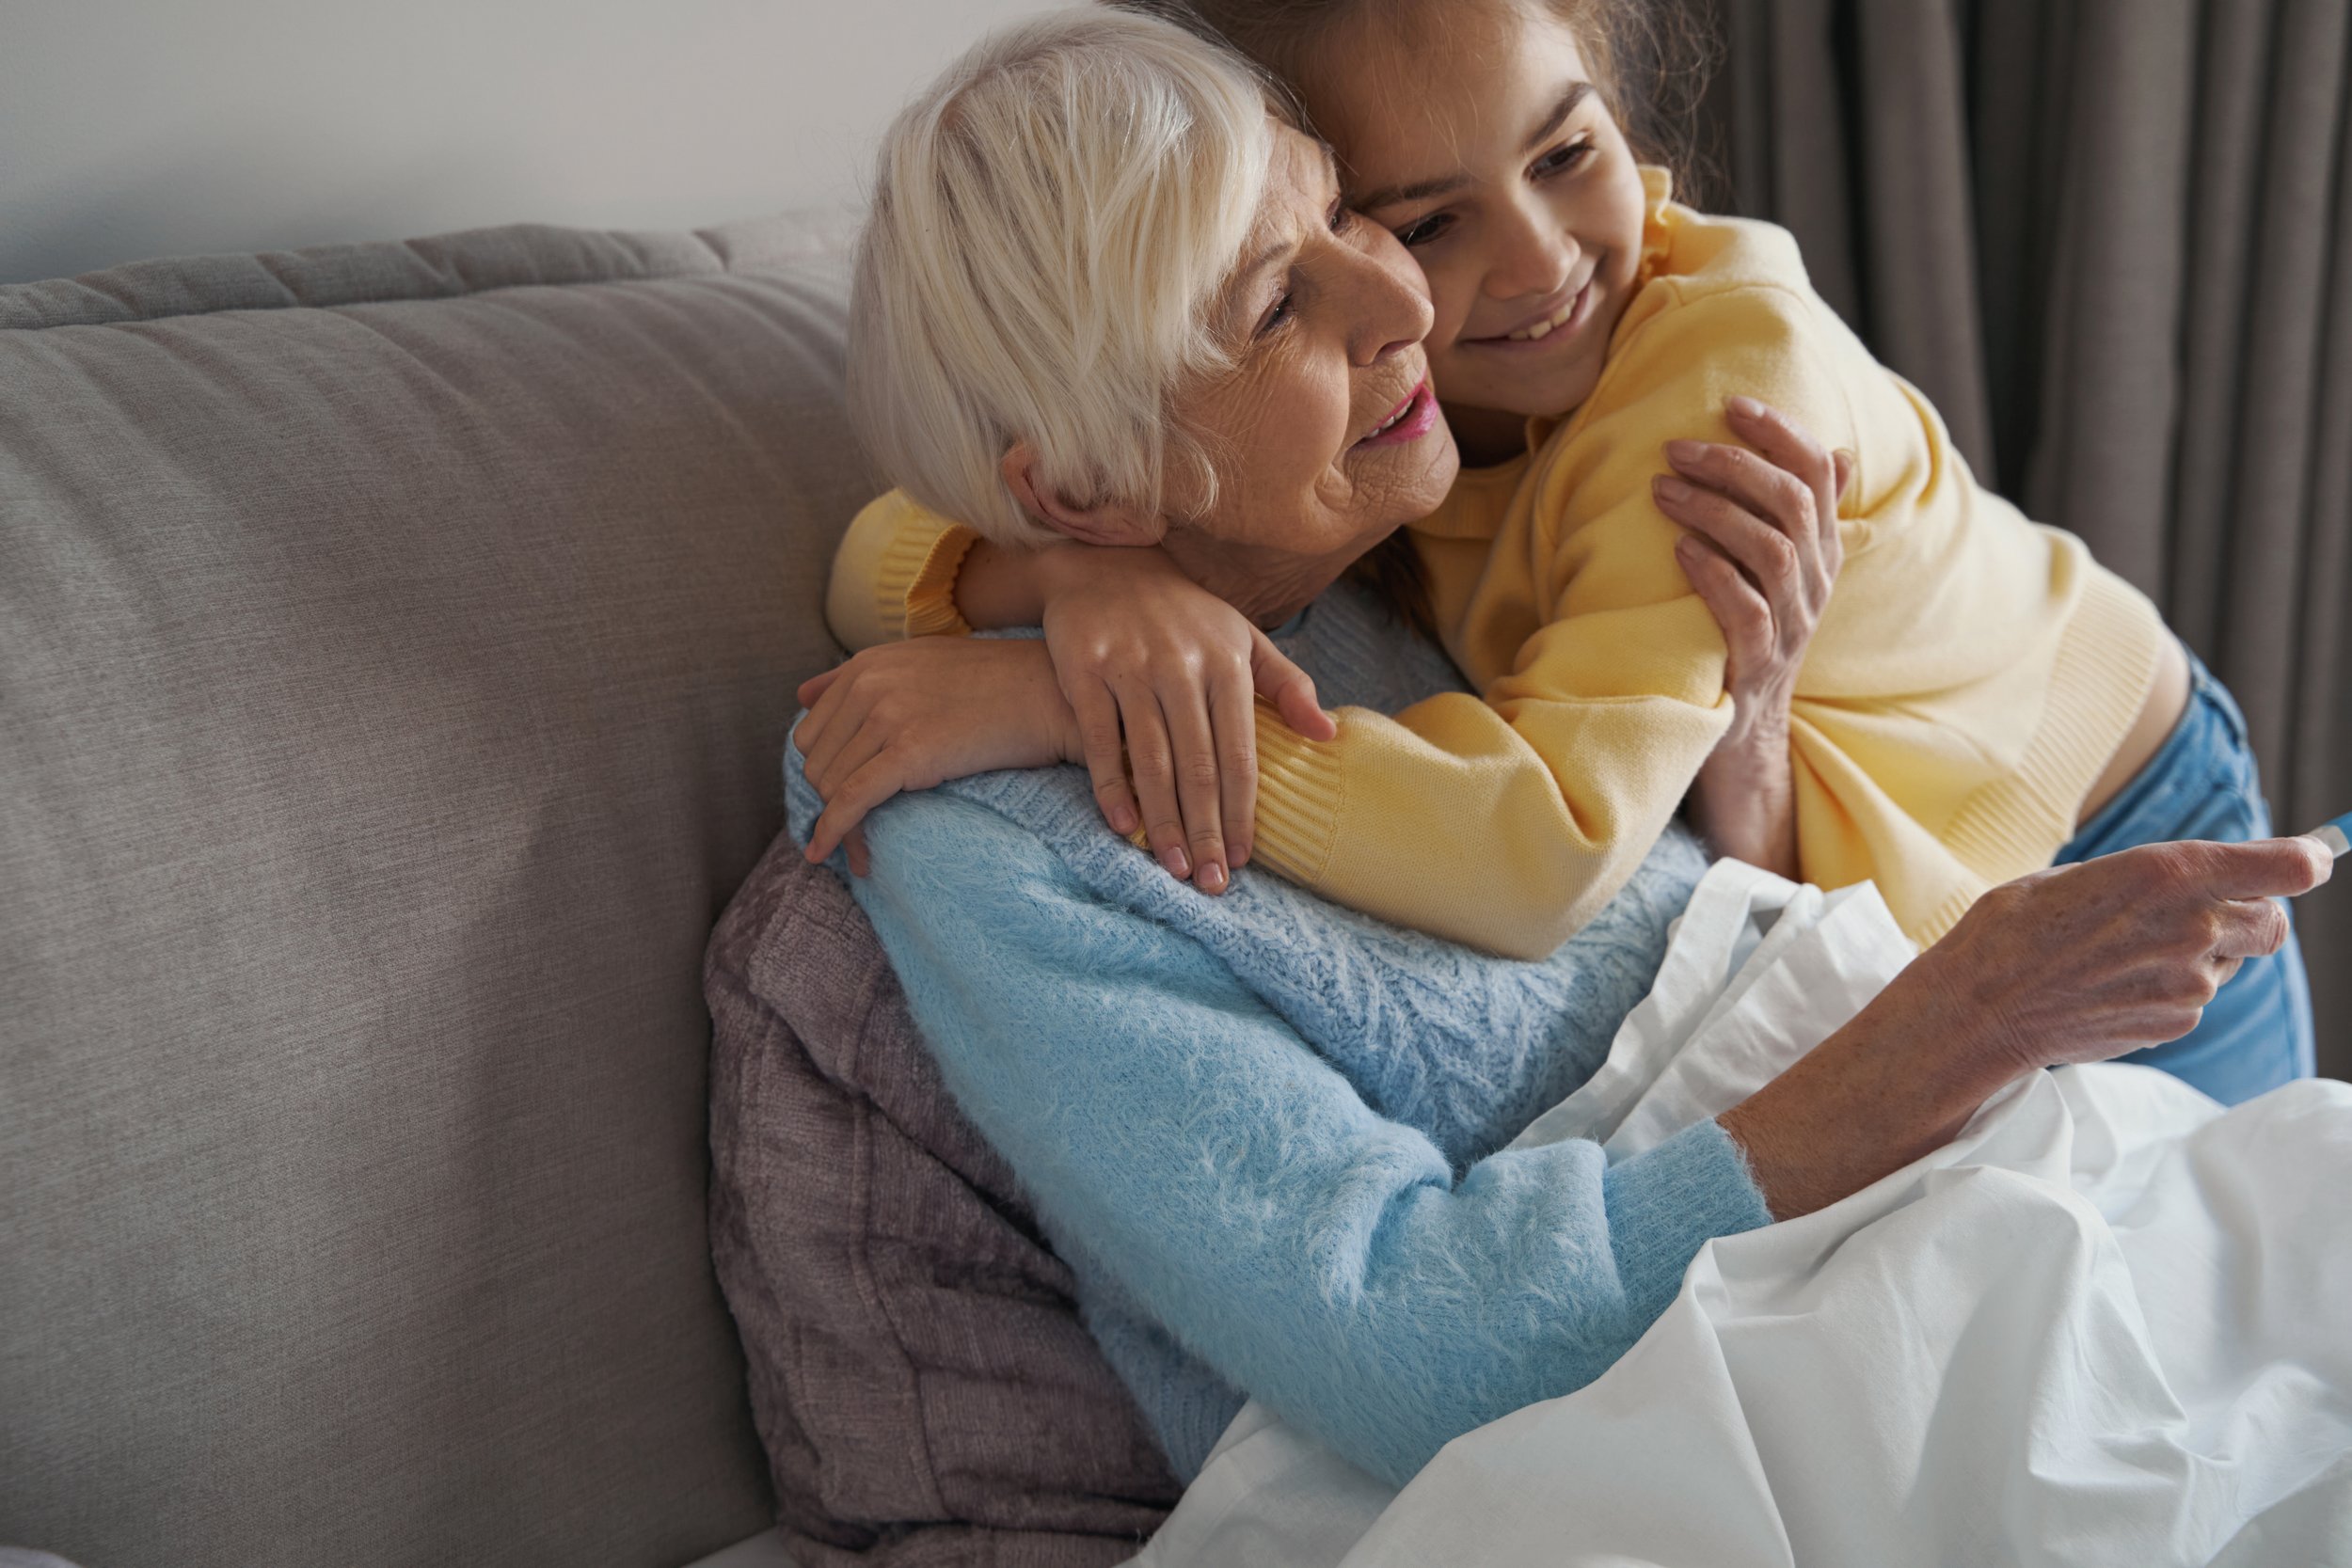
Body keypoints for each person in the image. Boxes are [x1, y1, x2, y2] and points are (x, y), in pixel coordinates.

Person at [780, 8, 2332, 1491]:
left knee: (2268, 1340)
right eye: (1292, 292)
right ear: (1086, 491)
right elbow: (895, 537)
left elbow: (1547, 848)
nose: (1411, 296)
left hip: (2094, 803)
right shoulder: (1373, 464)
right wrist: (1056, 582)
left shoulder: (1689, 413)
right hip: (1886, 935)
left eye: (1345, 218)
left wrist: (1059, 659)